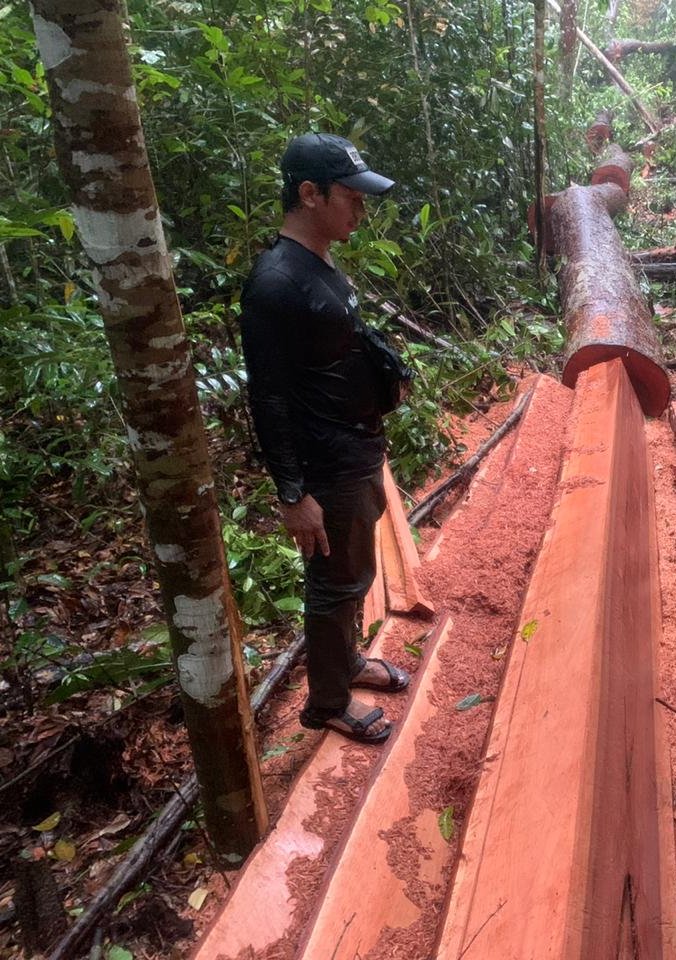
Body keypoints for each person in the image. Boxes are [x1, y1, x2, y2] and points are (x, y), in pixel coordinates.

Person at [240, 133, 414, 744]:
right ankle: (329, 703)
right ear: (309, 194)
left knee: (356, 574)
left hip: (355, 449)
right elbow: (270, 397)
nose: (360, 211)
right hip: (325, 466)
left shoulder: (321, 262)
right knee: (335, 582)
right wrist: (293, 493)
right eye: (350, 197)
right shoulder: (275, 284)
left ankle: (348, 662)